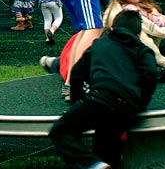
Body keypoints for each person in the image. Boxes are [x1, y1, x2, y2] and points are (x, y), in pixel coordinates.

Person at [46, 10, 158, 169]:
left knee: (61, 131)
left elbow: (77, 74)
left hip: (100, 98)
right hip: (125, 108)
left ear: (112, 29)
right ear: (139, 35)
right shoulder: (143, 50)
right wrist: (139, 105)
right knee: (108, 152)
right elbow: (150, 76)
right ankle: (101, 163)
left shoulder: (100, 44)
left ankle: (91, 163)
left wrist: (77, 103)